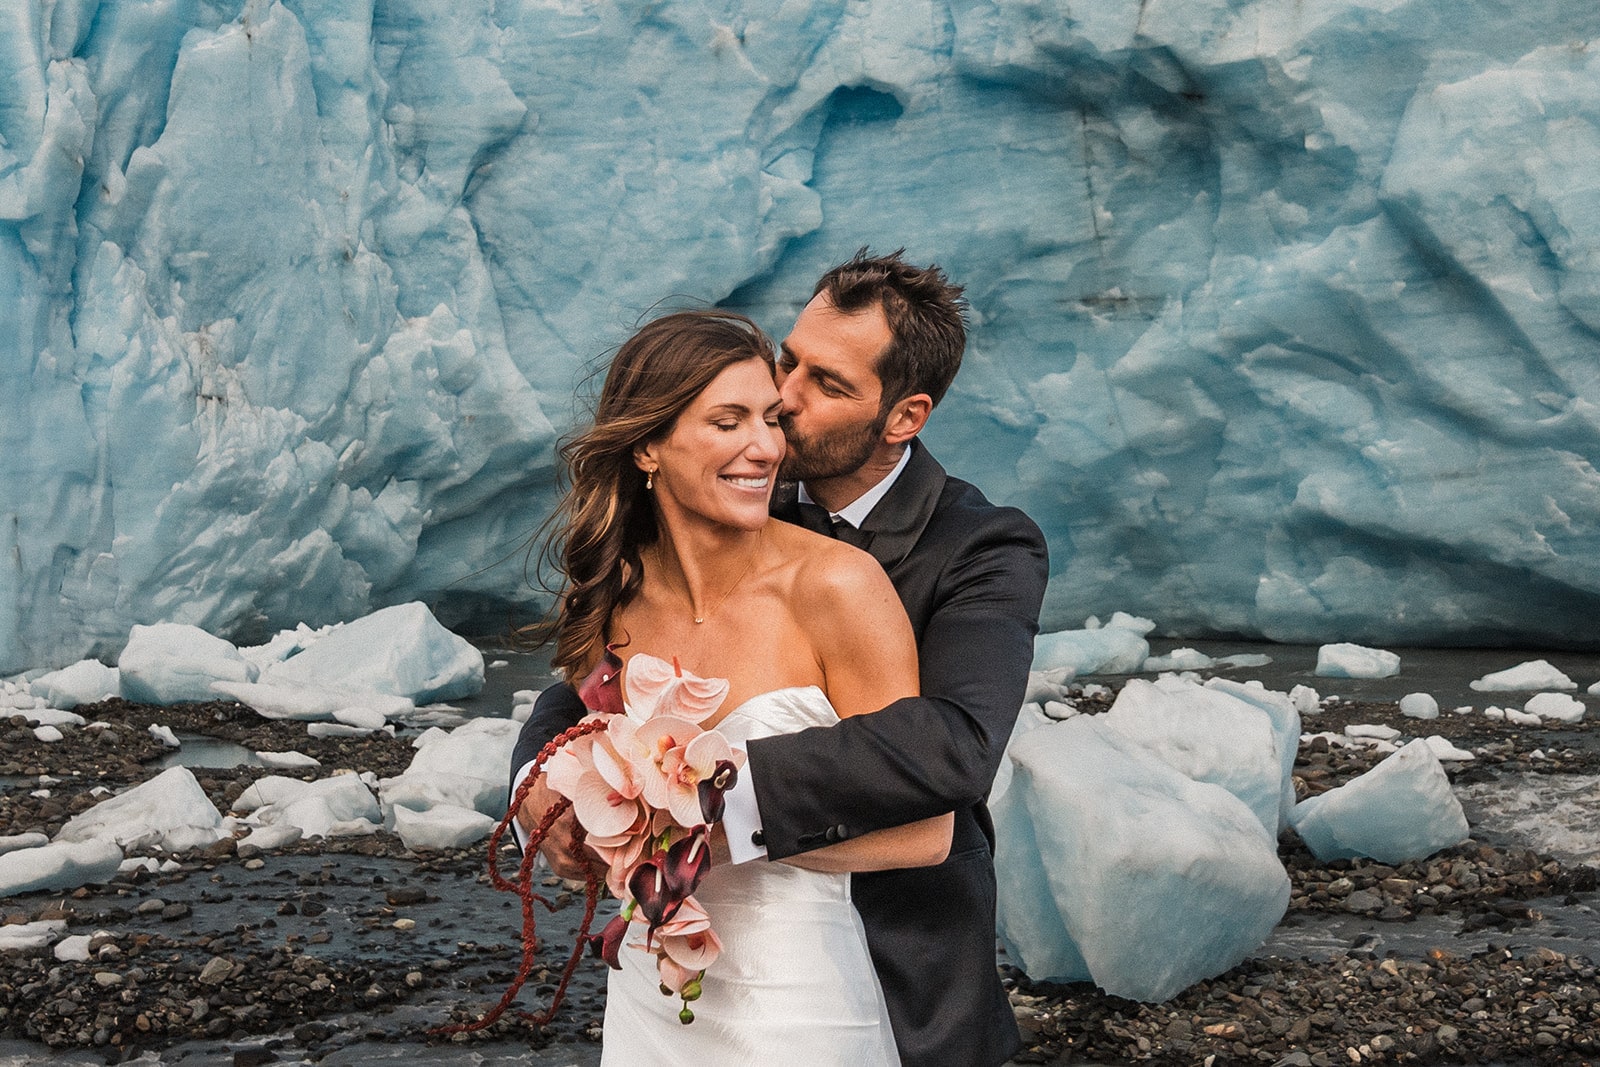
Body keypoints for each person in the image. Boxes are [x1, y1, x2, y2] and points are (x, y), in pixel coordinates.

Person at [513, 251, 1049, 1065]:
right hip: (680, 972)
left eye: (826, 383)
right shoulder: (713, 512)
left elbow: (954, 745)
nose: (786, 401)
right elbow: (596, 681)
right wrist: (541, 782)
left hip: (889, 969)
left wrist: (704, 802)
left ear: (903, 417)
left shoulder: (979, 546)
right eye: (787, 363)